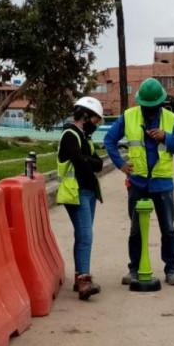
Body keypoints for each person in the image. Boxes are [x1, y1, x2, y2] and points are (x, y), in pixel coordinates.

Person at [104, 78, 174, 286]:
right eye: (145, 106)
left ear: (160, 104)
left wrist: (165, 136)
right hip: (138, 183)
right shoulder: (129, 116)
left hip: (162, 184)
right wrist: (121, 164)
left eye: (152, 107)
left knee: (168, 228)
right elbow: (109, 140)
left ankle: (171, 270)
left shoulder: (170, 119)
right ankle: (134, 268)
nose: (149, 110)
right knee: (136, 229)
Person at [56, 96, 106, 300]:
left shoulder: (84, 137)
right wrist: (90, 162)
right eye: (95, 120)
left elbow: (97, 163)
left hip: (88, 192)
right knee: (85, 236)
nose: (96, 124)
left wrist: (90, 162)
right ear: (85, 116)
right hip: (76, 192)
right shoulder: (70, 135)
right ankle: (84, 280)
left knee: (83, 235)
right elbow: (81, 162)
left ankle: (80, 278)